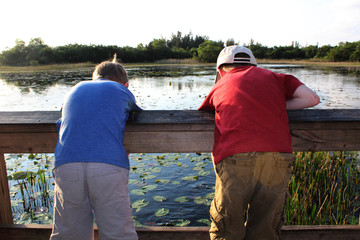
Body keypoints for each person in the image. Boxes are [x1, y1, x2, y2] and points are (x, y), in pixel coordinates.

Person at [199, 46, 320, 240]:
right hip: (278, 157)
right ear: (254, 65)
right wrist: (276, 104)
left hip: (236, 158)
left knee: (227, 229)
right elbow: (312, 98)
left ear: (220, 70)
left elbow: (208, 110)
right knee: (265, 229)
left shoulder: (220, 85)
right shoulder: (277, 77)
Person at [50, 56, 141, 240]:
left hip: (66, 165)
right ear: (126, 84)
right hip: (107, 166)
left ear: (94, 78)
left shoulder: (74, 89)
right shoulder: (121, 90)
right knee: (118, 233)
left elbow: (62, 124)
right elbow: (136, 114)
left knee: (69, 233)